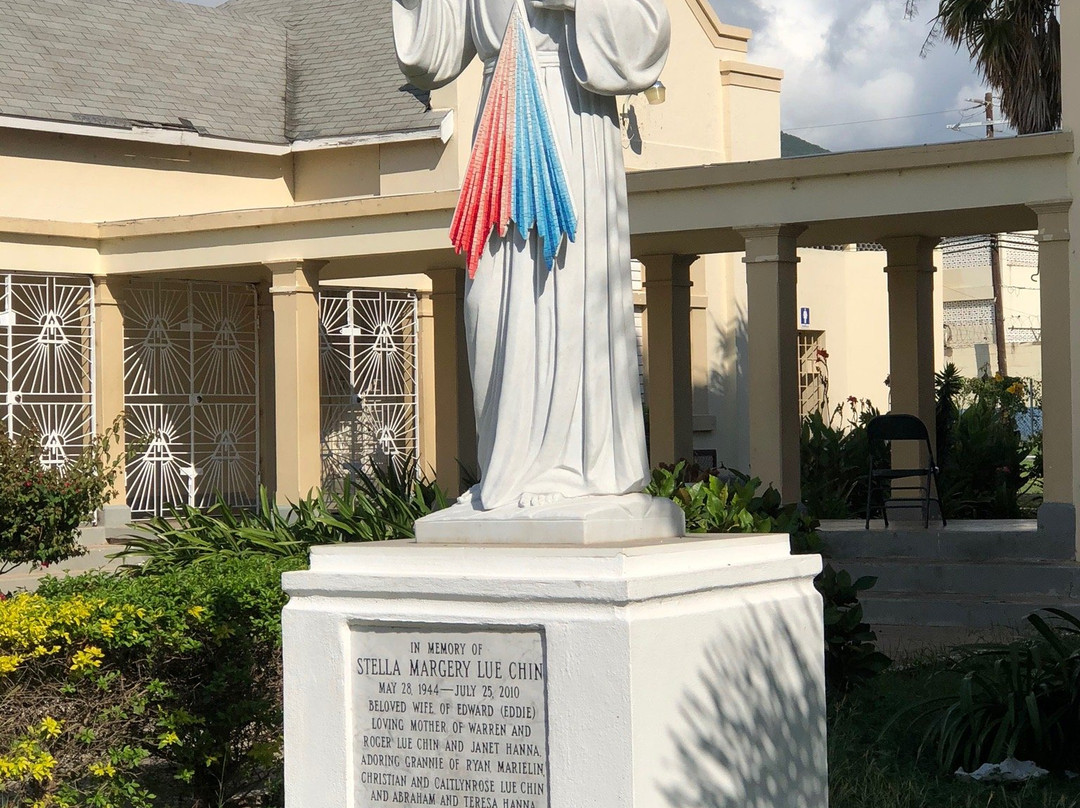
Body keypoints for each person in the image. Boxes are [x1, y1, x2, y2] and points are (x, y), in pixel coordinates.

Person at [393, 0, 670, 511]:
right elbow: (434, 51)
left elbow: (647, 33)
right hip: (499, 123)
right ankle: (507, 463)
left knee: (564, 288)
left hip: (571, 113)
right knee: (489, 304)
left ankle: (572, 466)